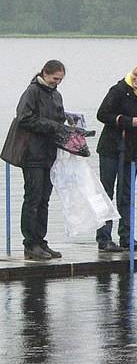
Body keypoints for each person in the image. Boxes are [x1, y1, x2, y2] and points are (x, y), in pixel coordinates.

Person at [96, 60, 137, 252]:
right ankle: (104, 238)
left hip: (132, 150)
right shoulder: (119, 89)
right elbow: (102, 114)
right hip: (111, 148)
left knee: (127, 194)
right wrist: (128, 121)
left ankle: (127, 237)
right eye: (136, 75)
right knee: (106, 192)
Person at [15, 60, 67, 261]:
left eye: (61, 79)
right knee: (33, 198)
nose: (57, 83)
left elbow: (59, 119)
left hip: (49, 153)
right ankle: (30, 243)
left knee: (44, 199)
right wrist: (52, 126)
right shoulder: (32, 92)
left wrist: (66, 125)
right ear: (45, 73)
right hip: (32, 153)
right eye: (55, 78)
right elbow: (24, 118)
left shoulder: (56, 94)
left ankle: (41, 240)